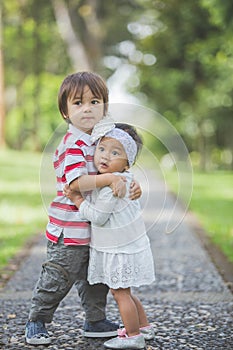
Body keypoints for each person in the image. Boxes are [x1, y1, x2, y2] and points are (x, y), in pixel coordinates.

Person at [25, 72, 141, 346]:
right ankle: (37, 319)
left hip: (98, 229)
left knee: (96, 279)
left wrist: (132, 186)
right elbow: (77, 183)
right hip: (70, 228)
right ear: (65, 111)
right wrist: (109, 179)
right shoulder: (71, 145)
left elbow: (121, 168)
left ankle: (95, 320)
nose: (87, 108)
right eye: (77, 103)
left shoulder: (102, 142)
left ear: (104, 107)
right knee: (58, 277)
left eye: (94, 101)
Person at [64, 123, 155, 349]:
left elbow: (98, 217)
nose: (105, 156)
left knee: (120, 292)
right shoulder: (124, 178)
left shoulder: (111, 187)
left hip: (119, 249)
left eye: (115, 153)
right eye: (102, 149)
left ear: (127, 163)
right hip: (127, 245)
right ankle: (143, 327)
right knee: (126, 290)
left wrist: (77, 199)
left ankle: (133, 336)